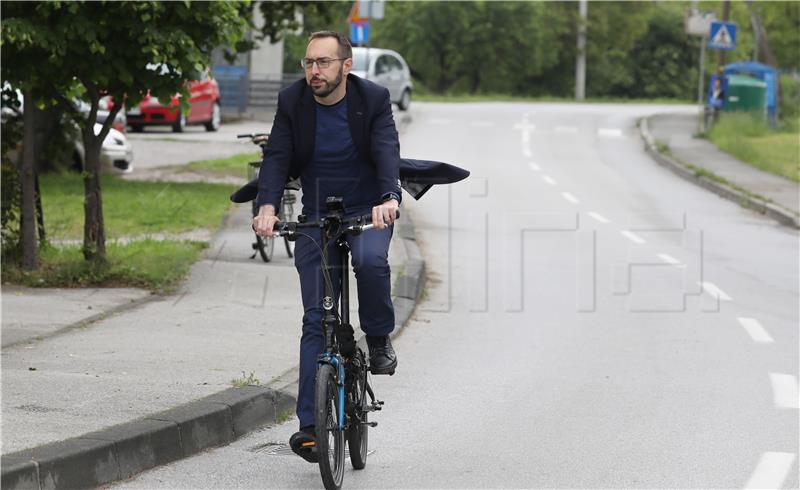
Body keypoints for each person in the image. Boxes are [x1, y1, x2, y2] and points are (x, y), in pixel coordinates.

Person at [252, 31, 400, 463]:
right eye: (308, 63)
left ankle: (377, 338)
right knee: (316, 319)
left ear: (346, 66)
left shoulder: (372, 98)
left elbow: (387, 148)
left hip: (368, 209)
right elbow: (277, 156)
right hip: (317, 213)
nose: (314, 71)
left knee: (371, 263)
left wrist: (389, 198)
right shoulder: (292, 101)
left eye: (323, 63)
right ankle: (311, 428)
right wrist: (266, 207)